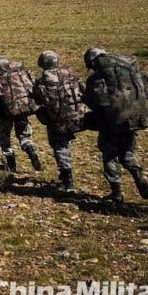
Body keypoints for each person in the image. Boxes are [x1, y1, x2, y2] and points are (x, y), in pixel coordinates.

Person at [82, 47, 148, 203]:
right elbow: (147, 92)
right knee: (127, 151)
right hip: (134, 118)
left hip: (111, 122)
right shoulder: (129, 69)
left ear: (92, 62)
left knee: (109, 155)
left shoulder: (96, 78)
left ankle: (116, 192)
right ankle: (137, 174)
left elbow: (93, 102)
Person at [32, 51, 88, 193]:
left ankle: (67, 181)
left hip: (58, 121)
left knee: (60, 147)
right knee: (64, 145)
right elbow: (84, 92)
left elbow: (38, 103)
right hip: (79, 117)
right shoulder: (71, 75)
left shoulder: (41, 82)